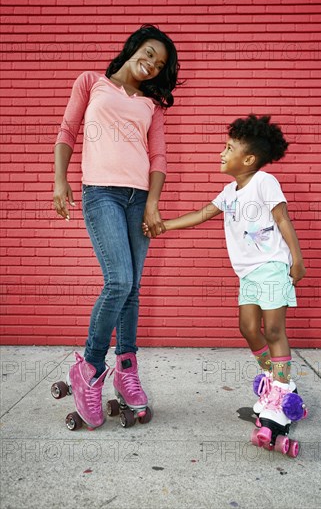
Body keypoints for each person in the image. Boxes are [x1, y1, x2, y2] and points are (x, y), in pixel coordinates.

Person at [143, 114, 306, 433]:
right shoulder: (230, 191)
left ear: (248, 158)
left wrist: (297, 260)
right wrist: (161, 227)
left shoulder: (264, 182)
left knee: (273, 331)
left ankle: (280, 395)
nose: (221, 152)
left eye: (228, 147)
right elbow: (202, 215)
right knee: (247, 328)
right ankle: (276, 379)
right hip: (248, 275)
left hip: (272, 267)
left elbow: (283, 219)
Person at [53, 24, 181, 428]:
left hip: (138, 198)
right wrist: (60, 180)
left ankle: (126, 368)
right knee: (119, 281)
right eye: (147, 53)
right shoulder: (91, 82)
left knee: (133, 288)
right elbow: (67, 131)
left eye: (159, 64)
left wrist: (153, 205)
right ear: (132, 48)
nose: (150, 65)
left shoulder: (152, 105)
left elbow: (158, 157)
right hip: (101, 194)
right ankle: (89, 367)